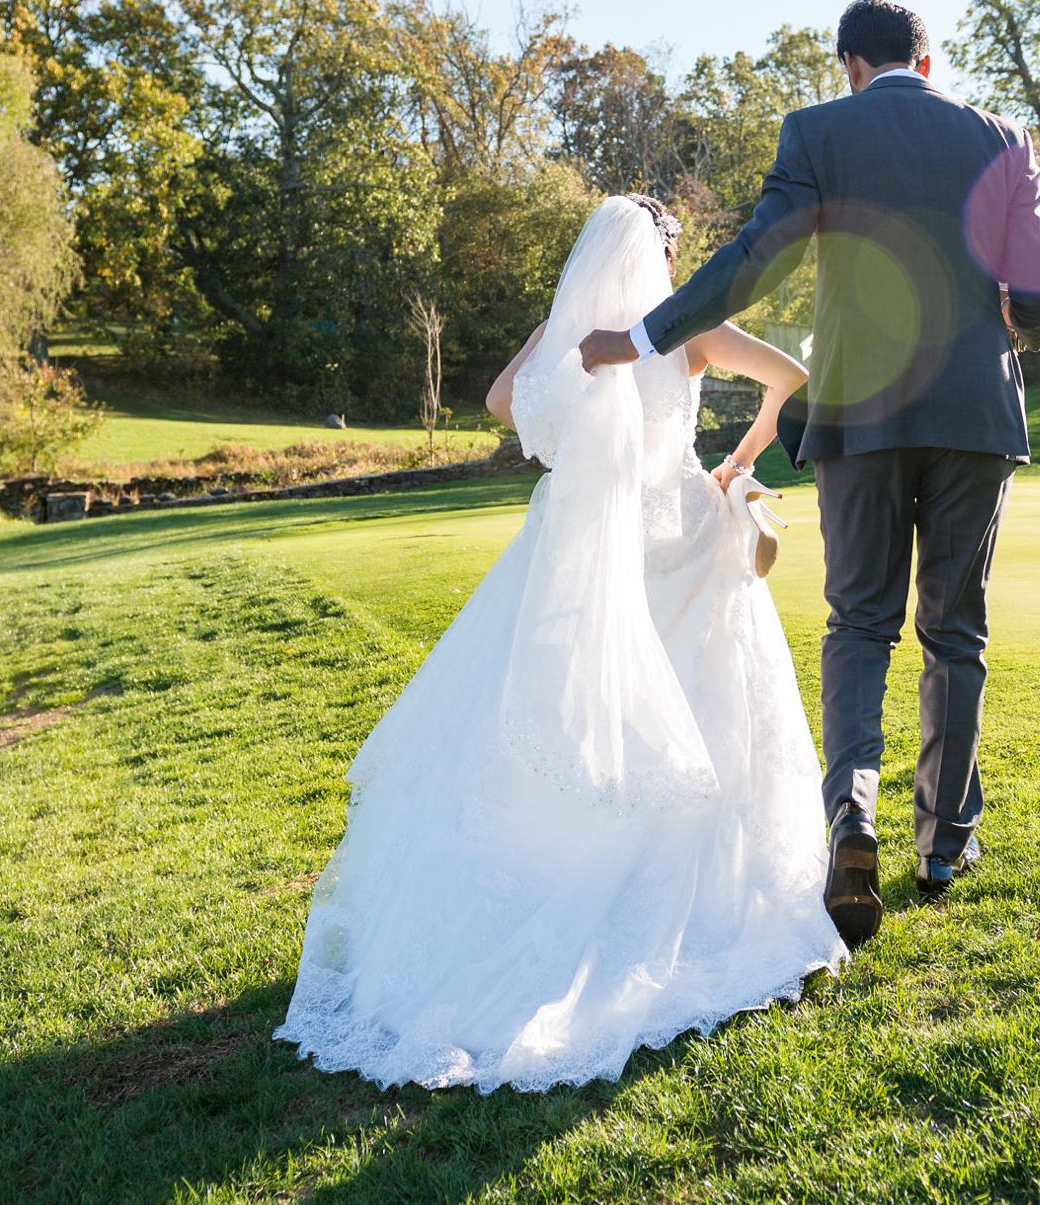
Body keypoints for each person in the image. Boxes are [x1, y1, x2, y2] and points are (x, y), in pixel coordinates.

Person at [276, 194, 845, 1092]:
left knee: (551, 720)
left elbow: (504, 399)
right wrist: (740, 459)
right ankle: (690, 895)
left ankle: (528, 889)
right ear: (665, 258)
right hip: (676, 531)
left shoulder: (572, 326)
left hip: (585, 544)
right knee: (699, 700)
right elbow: (791, 378)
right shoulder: (689, 326)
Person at [579, 0, 1040, 948]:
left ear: (850, 62)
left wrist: (644, 333)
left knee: (860, 622)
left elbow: (750, 266)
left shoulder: (817, 132)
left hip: (861, 409)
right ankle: (941, 846)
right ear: (925, 64)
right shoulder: (1002, 138)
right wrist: (1023, 331)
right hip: (974, 411)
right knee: (954, 629)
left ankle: (852, 815)